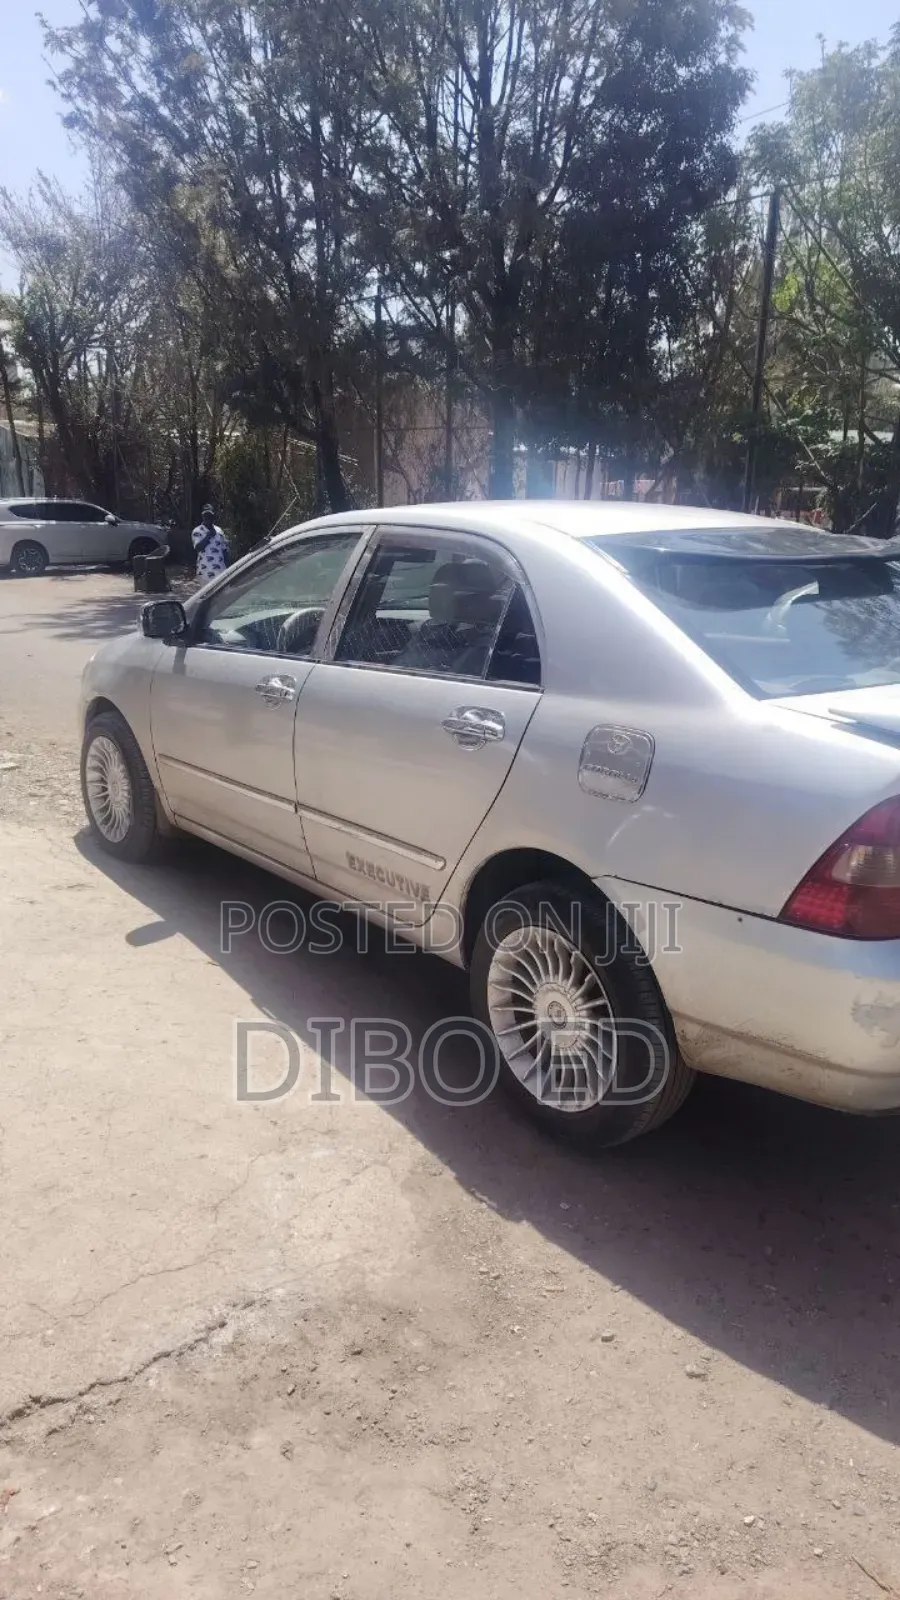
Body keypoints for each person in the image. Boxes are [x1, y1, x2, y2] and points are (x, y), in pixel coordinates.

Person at [192, 504, 230, 583]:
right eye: (205, 515)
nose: (207, 518)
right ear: (202, 516)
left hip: (220, 571)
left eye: (209, 515)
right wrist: (208, 536)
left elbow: (224, 550)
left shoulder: (219, 530)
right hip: (205, 572)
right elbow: (198, 548)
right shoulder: (197, 531)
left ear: (213, 516)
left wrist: (228, 569)